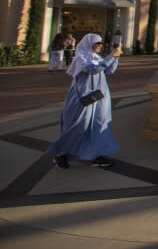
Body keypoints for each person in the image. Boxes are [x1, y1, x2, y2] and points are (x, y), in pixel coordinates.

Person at [48, 33, 122, 169]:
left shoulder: (97, 57)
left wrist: (115, 58)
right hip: (84, 97)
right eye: (97, 43)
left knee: (99, 124)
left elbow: (109, 70)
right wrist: (111, 56)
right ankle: (62, 154)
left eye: (101, 43)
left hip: (99, 97)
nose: (100, 45)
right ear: (89, 43)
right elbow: (92, 70)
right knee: (80, 125)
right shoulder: (80, 57)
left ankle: (96, 155)